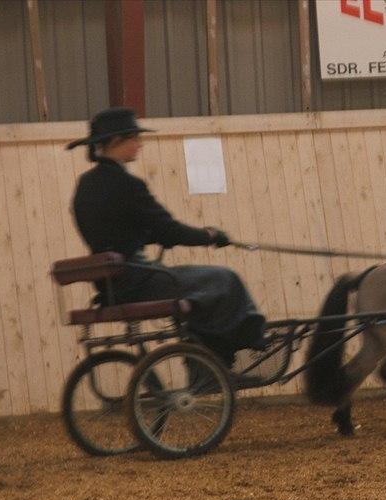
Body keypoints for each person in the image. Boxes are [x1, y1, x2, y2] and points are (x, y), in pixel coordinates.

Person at [67, 107, 267, 363]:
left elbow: (115, 232)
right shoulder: (128, 185)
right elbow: (170, 231)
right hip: (137, 280)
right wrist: (210, 235)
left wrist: (151, 236)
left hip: (112, 284)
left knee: (206, 284)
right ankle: (224, 355)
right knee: (224, 279)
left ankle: (208, 358)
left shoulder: (85, 185)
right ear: (117, 141)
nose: (140, 144)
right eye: (135, 138)